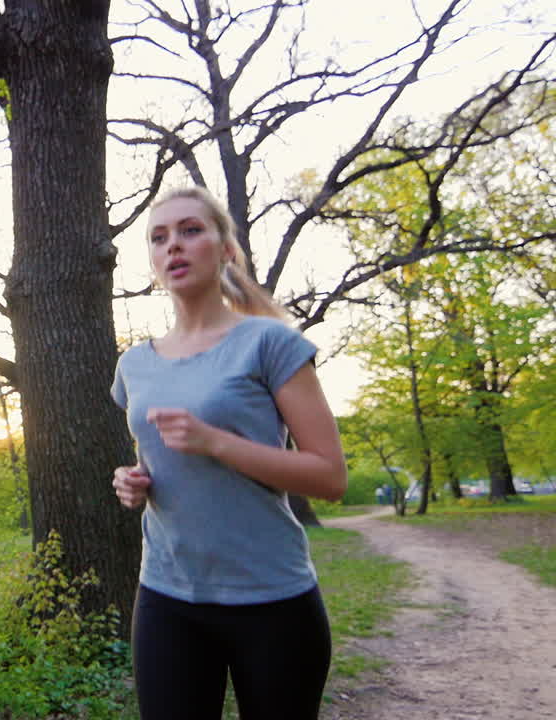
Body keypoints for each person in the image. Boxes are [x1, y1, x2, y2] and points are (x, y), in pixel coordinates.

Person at [110, 186, 347, 720]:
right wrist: (135, 480)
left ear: (226, 249)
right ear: (151, 260)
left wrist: (216, 442)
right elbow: (158, 459)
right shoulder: (134, 367)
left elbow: (330, 476)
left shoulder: (271, 343)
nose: (174, 245)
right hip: (167, 597)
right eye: (159, 237)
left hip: (272, 601)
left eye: (191, 230)